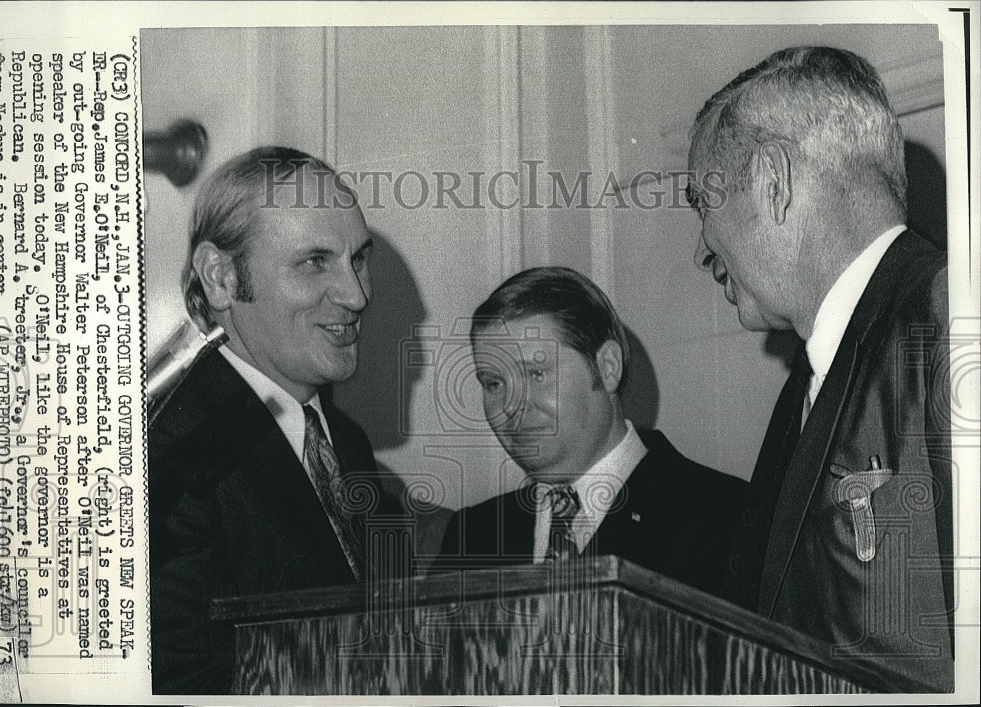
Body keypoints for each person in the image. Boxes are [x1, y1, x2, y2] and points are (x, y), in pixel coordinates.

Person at [687, 47, 953, 690]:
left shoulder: (953, 320)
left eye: (704, 202)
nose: (702, 249)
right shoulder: (809, 384)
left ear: (774, 181)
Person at [148, 147, 404, 694]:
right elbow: (192, 682)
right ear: (221, 278)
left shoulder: (347, 445)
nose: (358, 295)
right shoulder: (164, 453)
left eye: (359, 258)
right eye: (314, 262)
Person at [435, 266, 746, 594]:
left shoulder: (728, 519)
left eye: (537, 373)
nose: (510, 405)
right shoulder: (473, 534)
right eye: (494, 383)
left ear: (607, 367)